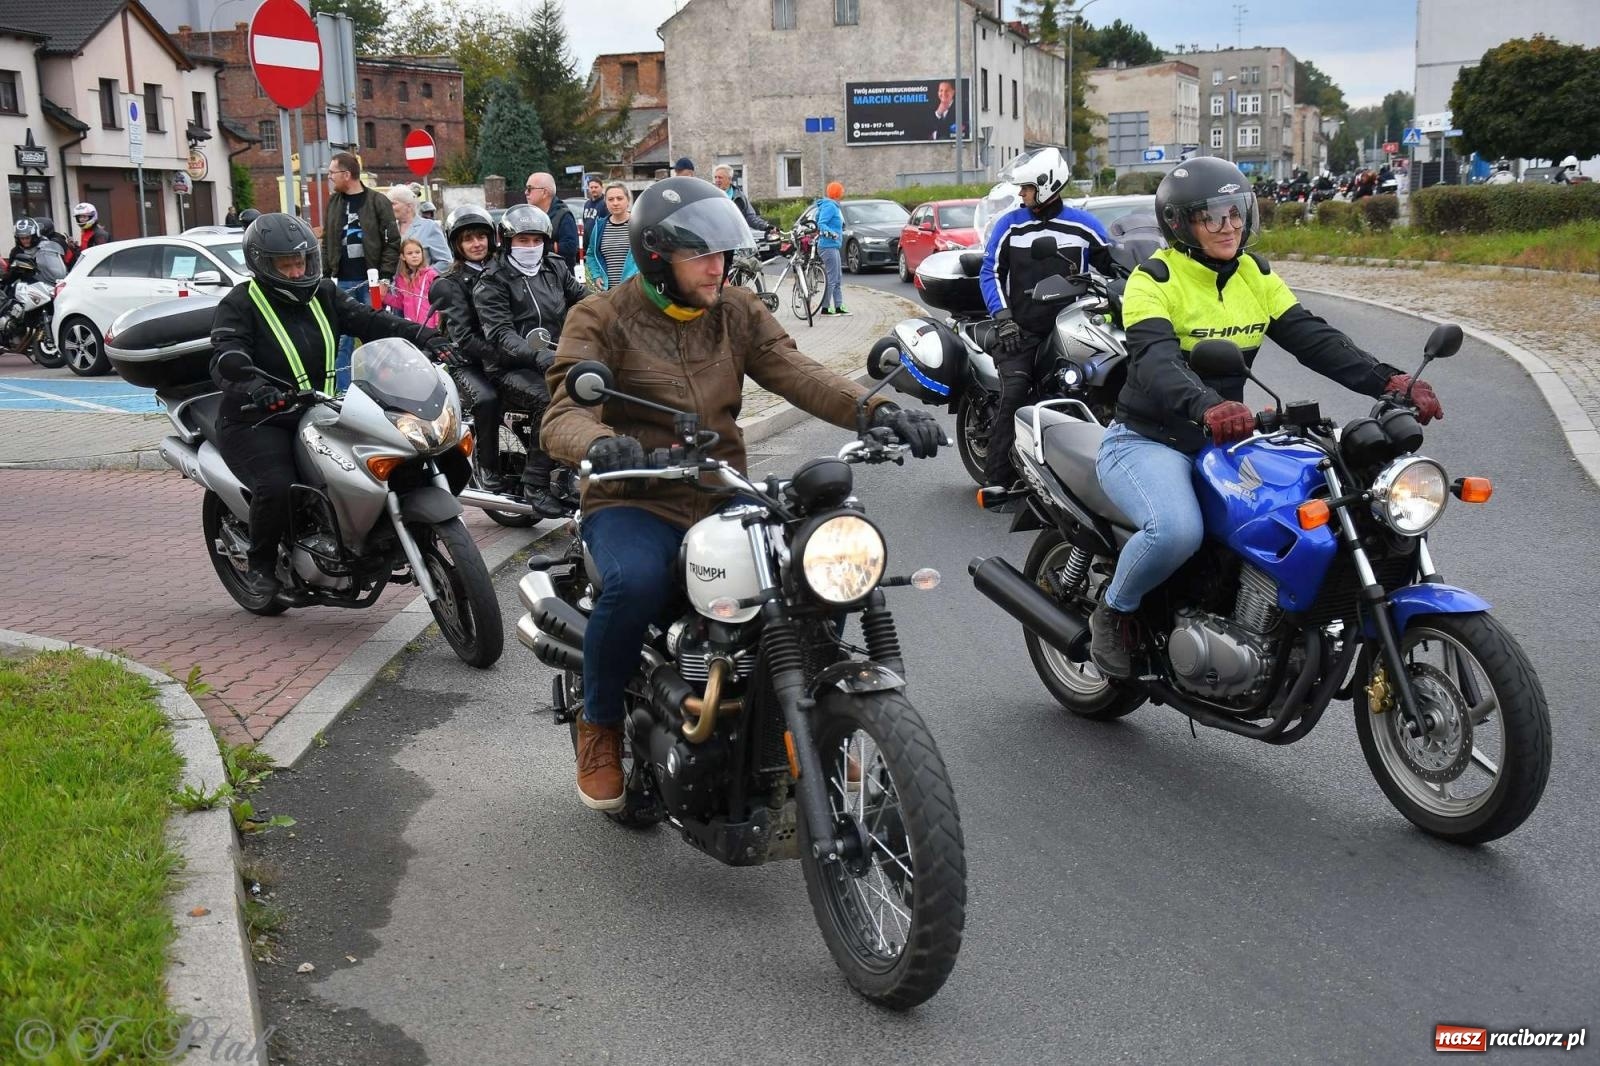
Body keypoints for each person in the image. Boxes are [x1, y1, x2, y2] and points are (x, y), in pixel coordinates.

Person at [539, 177, 944, 810]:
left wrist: (879, 408)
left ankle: (813, 722)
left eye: (723, 254)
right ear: (655, 257)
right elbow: (561, 412)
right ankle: (600, 723)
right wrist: (597, 443)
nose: (717, 267)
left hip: (720, 489)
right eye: (700, 255)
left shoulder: (737, 310)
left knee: (812, 574)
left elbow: (800, 371)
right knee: (636, 583)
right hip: (634, 495)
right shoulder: (601, 317)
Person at [1087, 157, 1443, 677]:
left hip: (1228, 439)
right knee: (1177, 531)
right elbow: (1157, 361)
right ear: (1181, 224)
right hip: (1150, 439)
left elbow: (1312, 337)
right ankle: (1114, 609)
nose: (1228, 225)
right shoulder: (1153, 280)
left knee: (1302, 506)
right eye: (1211, 216)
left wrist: (1390, 381)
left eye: (1234, 212)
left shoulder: (1254, 273)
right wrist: (1208, 406)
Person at [210, 213, 449, 597]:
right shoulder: (240, 303)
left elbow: (371, 322)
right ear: (262, 265)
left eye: (300, 261)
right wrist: (256, 388)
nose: (295, 271)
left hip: (317, 409)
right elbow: (226, 355)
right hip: (257, 419)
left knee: (370, 461)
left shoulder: (323, 293)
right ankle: (261, 564)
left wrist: (423, 335)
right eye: (284, 265)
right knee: (277, 484)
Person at [978, 146, 1114, 492]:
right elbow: (989, 273)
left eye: (1026, 189)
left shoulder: (1083, 225)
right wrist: (1004, 318)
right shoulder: (1011, 226)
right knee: (1015, 392)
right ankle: (997, 481)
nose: (1021, 195)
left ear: (1046, 186)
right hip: (1021, 331)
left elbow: (1114, 264)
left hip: (1073, 326)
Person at [473, 205, 586, 518]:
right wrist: (537, 355)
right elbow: (500, 334)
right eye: (523, 240)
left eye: (536, 239)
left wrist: (616, 310)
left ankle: (576, 468)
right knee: (553, 400)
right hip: (510, 367)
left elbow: (582, 297)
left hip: (557, 356)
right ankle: (535, 483)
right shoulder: (493, 280)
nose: (530, 246)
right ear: (507, 241)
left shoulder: (554, 268)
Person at [428, 205, 507, 492]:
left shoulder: (504, 270)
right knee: (487, 399)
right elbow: (462, 337)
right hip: (465, 358)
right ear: (456, 245)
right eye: (467, 239)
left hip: (505, 351)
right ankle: (486, 467)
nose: (476, 244)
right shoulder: (449, 283)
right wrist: (501, 354)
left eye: (481, 236)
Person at [322, 152, 402, 390]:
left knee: (375, 336)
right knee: (341, 340)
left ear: (346, 174)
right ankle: (342, 390)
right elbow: (327, 241)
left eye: (332, 173)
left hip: (372, 282)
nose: (329, 178)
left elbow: (392, 242)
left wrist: (386, 276)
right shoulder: (334, 203)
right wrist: (327, 277)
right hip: (342, 282)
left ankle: (381, 387)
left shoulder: (378, 201)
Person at [584, 183, 638, 291]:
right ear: (606, 202)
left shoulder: (638, 224)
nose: (615, 203)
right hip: (609, 293)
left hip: (635, 290)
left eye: (619, 198)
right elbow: (591, 254)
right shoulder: (599, 226)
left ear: (628, 200)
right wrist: (596, 275)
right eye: (611, 199)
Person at [523, 172, 579, 270]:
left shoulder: (563, 215)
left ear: (544, 192)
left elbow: (570, 248)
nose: (526, 192)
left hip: (558, 277)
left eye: (530, 188)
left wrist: (541, 247)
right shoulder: (529, 214)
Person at [386, 184, 450, 267]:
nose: (388, 207)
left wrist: (425, 276)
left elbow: (446, 262)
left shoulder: (430, 227)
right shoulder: (389, 228)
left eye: (393, 204)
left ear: (409, 206)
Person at [384, 237, 439, 327]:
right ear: (403, 256)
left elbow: (438, 300)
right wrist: (384, 297)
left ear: (422, 253)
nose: (414, 255)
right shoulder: (401, 279)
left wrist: (437, 322)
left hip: (429, 324)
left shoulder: (431, 275)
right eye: (410, 253)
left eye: (417, 252)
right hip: (411, 324)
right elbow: (400, 302)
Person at [814, 181, 847, 316]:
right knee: (832, 277)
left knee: (837, 276)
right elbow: (821, 223)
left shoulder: (831, 205)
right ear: (838, 193)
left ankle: (839, 306)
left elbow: (818, 219)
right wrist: (832, 234)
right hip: (828, 245)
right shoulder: (830, 206)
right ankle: (826, 308)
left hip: (833, 245)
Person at [711, 164, 774, 233]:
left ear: (729, 179)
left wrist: (766, 226)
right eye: (715, 177)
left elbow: (750, 217)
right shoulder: (709, 195)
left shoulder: (740, 196)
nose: (717, 180)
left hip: (736, 238)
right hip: (714, 237)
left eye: (720, 178)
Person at [580, 175, 605, 259]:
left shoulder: (605, 203)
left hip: (601, 246)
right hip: (589, 247)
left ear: (601, 187)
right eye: (591, 187)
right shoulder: (587, 204)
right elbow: (585, 224)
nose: (593, 189)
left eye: (596, 187)